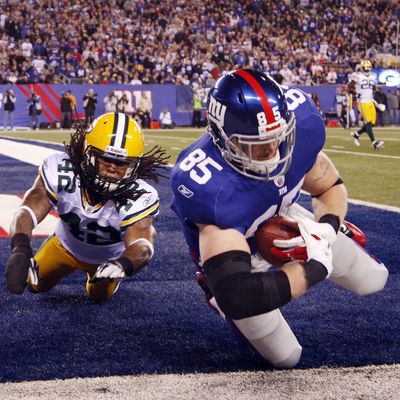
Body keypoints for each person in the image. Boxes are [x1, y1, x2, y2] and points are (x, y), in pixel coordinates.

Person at [170, 69, 388, 369]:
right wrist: (313, 270)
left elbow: (329, 187)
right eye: (256, 144)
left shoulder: (302, 128)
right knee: (285, 357)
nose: (273, 150)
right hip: (238, 247)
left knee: (375, 279)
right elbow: (238, 295)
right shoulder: (212, 188)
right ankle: (211, 287)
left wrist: (328, 228)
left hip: (282, 220)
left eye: (277, 137)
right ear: (223, 140)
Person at [5, 112, 169, 301]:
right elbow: (28, 209)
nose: (112, 168)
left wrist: (122, 265)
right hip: (64, 246)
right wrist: (20, 247)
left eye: (122, 163)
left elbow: (142, 245)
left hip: (108, 260)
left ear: (134, 166)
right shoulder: (63, 171)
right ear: (88, 154)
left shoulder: (140, 195)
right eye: (106, 159)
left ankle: (106, 278)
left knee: (98, 295)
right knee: (35, 285)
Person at [348, 60, 384, 150]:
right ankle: (374, 143)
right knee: (368, 122)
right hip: (362, 101)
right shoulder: (358, 76)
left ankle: (357, 134)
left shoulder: (373, 76)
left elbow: (373, 87)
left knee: (371, 123)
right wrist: (356, 94)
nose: (367, 69)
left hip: (370, 101)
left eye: (368, 67)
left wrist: (377, 93)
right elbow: (348, 87)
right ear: (362, 68)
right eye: (365, 68)